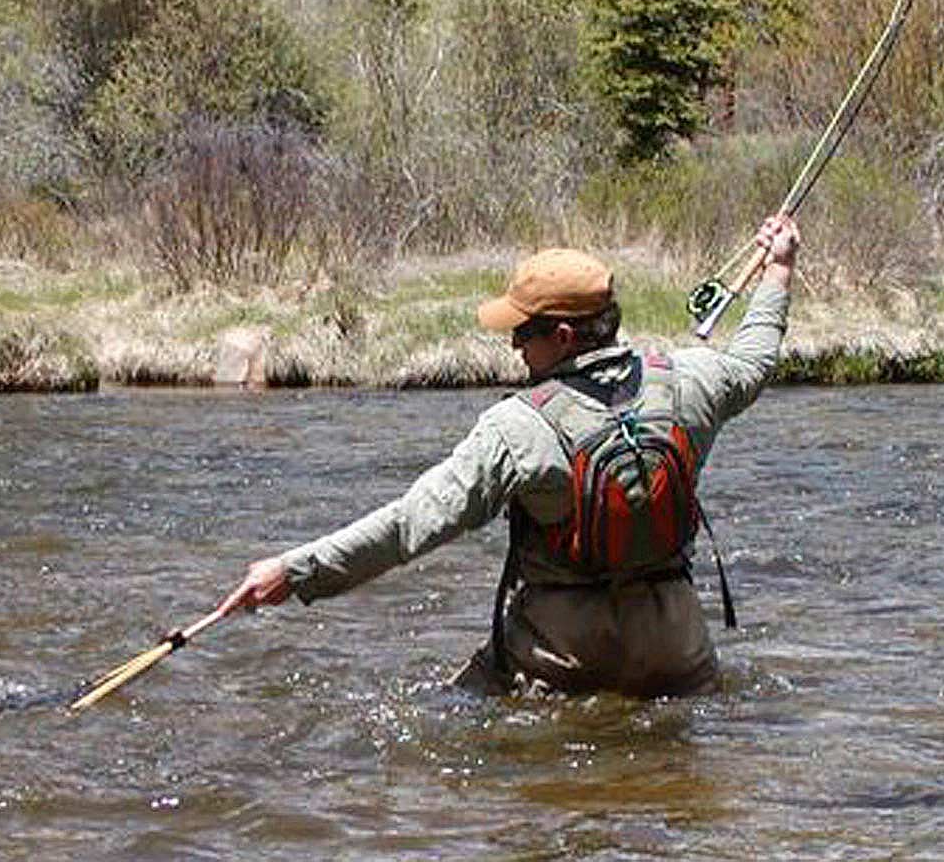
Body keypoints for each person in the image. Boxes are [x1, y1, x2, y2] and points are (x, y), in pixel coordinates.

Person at [217, 213, 800, 697]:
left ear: (566, 337)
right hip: (679, 655)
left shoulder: (516, 428)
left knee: (448, 710)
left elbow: (410, 525)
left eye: (524, 333)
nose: (514, 346)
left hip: (563, 661)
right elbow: (755, 359)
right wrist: (778, 270)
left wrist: (295, 571)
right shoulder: (690, 381)